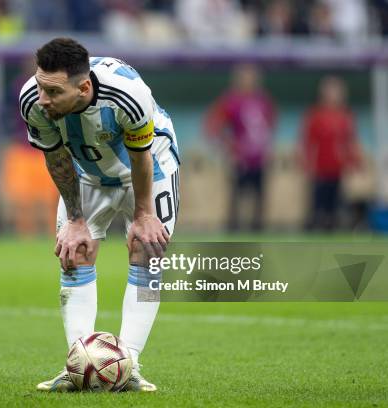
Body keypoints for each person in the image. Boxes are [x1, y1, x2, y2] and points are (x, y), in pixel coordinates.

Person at [19, 38, 180, 392]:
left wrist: (143, 215)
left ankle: (129, 365)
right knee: (73, 254)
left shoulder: (128, 93)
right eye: (40, 85)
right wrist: (75, 220)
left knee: (147, 250)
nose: (42, 98)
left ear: (84, 87)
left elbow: (141, 157)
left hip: (149, 168)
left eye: (53, 91)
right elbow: (56, 157)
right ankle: (80, 364)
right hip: (87, 172)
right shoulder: (33, 100)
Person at [204, 64, 276, 231]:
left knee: (259, 197)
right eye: (245, 77)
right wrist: (228, 147)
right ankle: (233, 230)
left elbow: (269, 126)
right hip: (240, 158)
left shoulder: (263, 100)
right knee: (237, 197)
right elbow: (214, 125)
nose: (249, 81)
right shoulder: (231, 101)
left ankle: (257, 230)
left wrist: (268, 148)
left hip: (259, 158)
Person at [299, 76, 361, 231]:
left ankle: (332, 235)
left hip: (338, 169)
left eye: (337, 91)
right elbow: (307, 142)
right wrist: (306, 163)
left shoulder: (346, 115)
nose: (334, 94)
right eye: (331, 90)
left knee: (336, 206)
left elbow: (351, 142)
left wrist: (354, 161)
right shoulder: (315, 114)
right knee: (318, 207)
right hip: (319, 169)